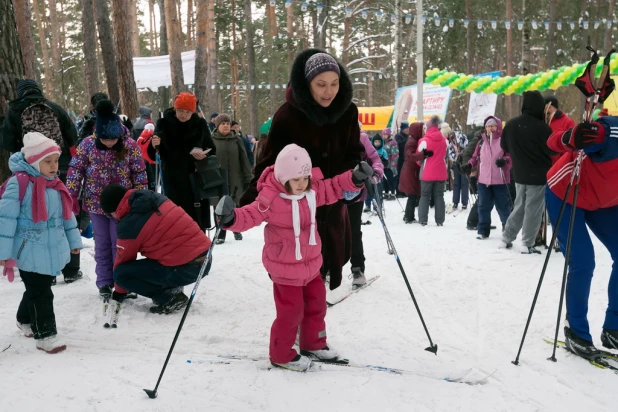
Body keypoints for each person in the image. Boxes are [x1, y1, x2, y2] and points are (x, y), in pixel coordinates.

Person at [215, 144, 373, 371]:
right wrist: (230, 218)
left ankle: (313, 343)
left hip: (311, 266)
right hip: (284, 269)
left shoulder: (311, 192)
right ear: (283, 177)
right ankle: (281, 354)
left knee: (317, 305)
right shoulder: (271, 198)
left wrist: (354, 178)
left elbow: (333, 187)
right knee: (291, 312)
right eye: (296, 179)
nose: (302, 184)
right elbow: (250, 214)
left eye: (305, 178)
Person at [240, 49, 364, 291]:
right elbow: (269, 164)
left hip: (333, 204)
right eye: (321, 85)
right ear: (308, 84)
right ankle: (297, 317)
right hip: (294, 207)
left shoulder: (348, 112)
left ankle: (314, 315)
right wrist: (248, 200)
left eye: (334, 84)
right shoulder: (287, 115)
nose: (329, 91)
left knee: (326, 261)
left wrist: (356, 179)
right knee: (296, 271)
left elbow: (353, 154)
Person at [0, 133, 82, 353]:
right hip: (28, 248)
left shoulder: (55, 185)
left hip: (52, 248)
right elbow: (6, 221)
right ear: (34, 161)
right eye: (48, 161)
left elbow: (67, 216)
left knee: (38, 288)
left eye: (56, 160)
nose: (54, 166)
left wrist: (74, 241)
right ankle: (45, 335)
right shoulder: (19, 184)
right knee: (42, 292)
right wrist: (3, 253)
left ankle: (23, 318)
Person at [545, 116, 618, 358]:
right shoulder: (609, 135)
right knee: (583, 261)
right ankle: (576, 331)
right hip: (565, 192)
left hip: (604, 201)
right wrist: (569, 137)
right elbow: (553, 141)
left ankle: (613, 328)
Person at [0, 79, 82, 284]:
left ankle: (44, 272)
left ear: (20, 93)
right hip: (58, 166)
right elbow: (72, 134)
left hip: (32, 171)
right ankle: (71, 269)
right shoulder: (53, 107)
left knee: (39, 216)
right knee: (62, 212)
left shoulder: (15, 110)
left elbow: (7, 141)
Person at [66, 99, 148, 297]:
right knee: (102, 244)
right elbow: (75, 170)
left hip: (123, 207)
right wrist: (71, 195)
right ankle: (104, 282)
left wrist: (140, 198)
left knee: (120, 244)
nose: (109, 143)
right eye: (105, 139)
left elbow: (139, 173)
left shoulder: (130, 146)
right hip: (95, 204)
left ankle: (122, 283)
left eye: (113, 139)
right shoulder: (86, 145)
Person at [98, 184, 212, 314]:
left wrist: (120, 291)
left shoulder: (128, 224)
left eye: (109, 214)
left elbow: (122, 260)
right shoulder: (152, 198)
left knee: (121, 274)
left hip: (187, 267)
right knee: (160, 256)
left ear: (114, 209)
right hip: (205, 259)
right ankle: (173, 286)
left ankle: (170, 298)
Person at [148, 92, 216, 229]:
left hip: (195, 177)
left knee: (195, 219)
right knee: (174, 218)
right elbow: (153, 153)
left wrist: (205, 155)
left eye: (187, 112)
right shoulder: (164, 124)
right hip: (172, 178)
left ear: (192, 111)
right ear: (175, 109)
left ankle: (198, 247)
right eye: (180, 111)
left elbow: (211, 149)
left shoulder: (200, 124)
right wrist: (154, 145)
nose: (183, 115)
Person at [500, 91, 554, 254]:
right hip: (538, 174)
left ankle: (506, 238)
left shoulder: (510, 124)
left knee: (519, 206)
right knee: (533, 209)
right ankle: (527, 243)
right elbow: (551, 150)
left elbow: (504, 147)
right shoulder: (543, 128)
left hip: (519, 173)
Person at [464, 116, 512, 239]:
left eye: (493, 126)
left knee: (503, 206)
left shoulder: (504, 141)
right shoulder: (481, 142)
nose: (490, 128)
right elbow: (475, 157)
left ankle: (507, 230)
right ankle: (483, 230)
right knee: (483, 206)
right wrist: (469, 164)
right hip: (483, 180)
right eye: (488, 126)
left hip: (500, 179)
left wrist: (505, 160)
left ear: (498, 127)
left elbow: (511, 157)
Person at [211, 114, 253, 244]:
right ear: (217, 126)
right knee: (218, 206)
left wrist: (248, 177)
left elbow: (244, 160)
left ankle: (236, 228)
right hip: (217, 179)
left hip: (235, 178)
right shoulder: (211, 140)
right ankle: (220, 232)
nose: (226, 126)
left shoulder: (237, 140)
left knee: (234, 204)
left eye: (228, 124)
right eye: (223, 124)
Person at [348, 132, 383, 287]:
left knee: (353, 231)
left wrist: (373, 173)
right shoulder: (327, 132)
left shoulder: (360, 137)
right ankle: (327, 268)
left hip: (355, 191)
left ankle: (358, 269)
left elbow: (375, 159)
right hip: (331, 191)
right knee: (329, 231)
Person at [417, 116, 448, 226]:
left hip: (427, 173)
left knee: (425, 196)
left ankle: (423, 219)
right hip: (441, 172)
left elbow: (418, 158)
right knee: (439, 196)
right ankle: (440, 221)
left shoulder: (423, 141)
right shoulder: (445, 140)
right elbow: (446, 156)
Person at [398, 122, 425, 223]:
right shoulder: (412, 141)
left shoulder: (415, 140)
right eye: (421, 129)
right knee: (412, 195)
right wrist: (423, 154)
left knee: (413, 195)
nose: (423, 131)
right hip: (410, 171)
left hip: (412, 171)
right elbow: (409, 156)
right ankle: (408, 217)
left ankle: (408, 216)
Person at [545, 96, 575, 164]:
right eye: (545, 108)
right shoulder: (542, 122)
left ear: (555, 108)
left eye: (549, 107)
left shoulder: (567, 122)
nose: (546, 111)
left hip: (560, 164)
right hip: (544, 165)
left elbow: (572, 144)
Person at [363, 134, 387, 213]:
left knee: (378, 191)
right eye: (375, 141)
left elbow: (386, 163)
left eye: (379, 141)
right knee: (369, 190)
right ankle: (367, 205)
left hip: (378, 174)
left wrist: (382, 160)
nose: (377, 143)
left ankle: (378, 206)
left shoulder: (383, 151)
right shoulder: (368, 150)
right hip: (369, 173)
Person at [448, 129, 469, 210]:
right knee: (456, 183)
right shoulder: (452, 141)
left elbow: (467, 150)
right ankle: (455, 202)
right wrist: (455, 158)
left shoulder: (464, 139)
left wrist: (462, 157)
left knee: (464, 183)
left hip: (463, 163)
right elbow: (450, 152)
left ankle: (464, 202)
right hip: (456, 163)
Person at [136, 123, 157, 191]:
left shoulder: (140, 138)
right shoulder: (154, 138)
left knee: (145, 178)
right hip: (152, 161)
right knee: (153, 179)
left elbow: (137, 149)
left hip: (143, 161)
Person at [381, 128, 399, 199]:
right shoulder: (383, 142)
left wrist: (393, 164)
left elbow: (395, 154)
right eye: (383, 135)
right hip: (384, 165)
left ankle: (392, 193)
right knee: (385, 180)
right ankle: (386, 192)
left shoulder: (393, 142)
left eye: (385, 135)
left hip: (390, 165)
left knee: (391, 180)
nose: (384, 136)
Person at [394, 122, 410, 197]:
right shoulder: (398, 136)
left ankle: (404, 191)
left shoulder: (407, 136)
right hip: (400, 159)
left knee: (405, 176)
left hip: (406, 159)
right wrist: (407, 140)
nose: (407, 130)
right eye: (406, 128)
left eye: (408, 128)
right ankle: (398, 191)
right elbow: (398, 144)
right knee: (399, 175)